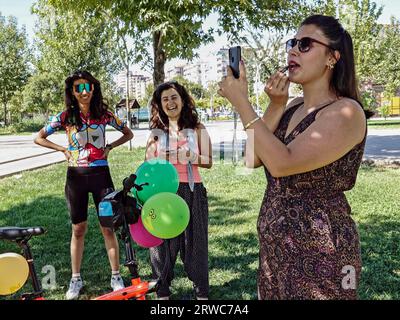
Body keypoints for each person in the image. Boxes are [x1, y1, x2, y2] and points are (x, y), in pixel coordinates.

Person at [218, 15, 373, 300]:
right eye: (292, 43)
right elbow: (252, 158)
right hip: (276, 251)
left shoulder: (347, 112)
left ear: (332, 58)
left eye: (305, 44)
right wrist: (276, 106)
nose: (292, 51)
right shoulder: (292, 105)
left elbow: (282, 164)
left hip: (323, 253)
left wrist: (241, 102)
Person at [34, 70, 134, 300]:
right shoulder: (65, 116)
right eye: (78, 87)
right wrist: (62, 150)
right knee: (78, 229)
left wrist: (109, 147)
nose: (83, 91)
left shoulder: (105, 114)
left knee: (108, 226)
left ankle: (116, 276)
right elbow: (39, 137)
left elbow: (127, 133)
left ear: (93, 88)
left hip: (101, 176)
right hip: (76, 177)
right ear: (72, 92)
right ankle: (76, 278)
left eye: (87, 86)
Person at [145, 81, 212, 300]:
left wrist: (191, 157)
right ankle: (162, 292)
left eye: (174, 97)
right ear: (160, 105)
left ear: (182, 100)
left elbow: (209, 161)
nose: (170, 102)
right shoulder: (156, 132)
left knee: (196, 244)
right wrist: (158, 158)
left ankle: (202, 294)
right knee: (161, 246)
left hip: (192, 191)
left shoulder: (197, 128)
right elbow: (147, 164)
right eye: (165, 99)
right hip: (163, 194)